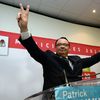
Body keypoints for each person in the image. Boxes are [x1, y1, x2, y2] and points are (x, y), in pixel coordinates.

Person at [17, 3, 100, 92]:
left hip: (74, 96)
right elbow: (34, 50)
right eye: (59, 44)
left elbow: (93, 59)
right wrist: (24, 29)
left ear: (69, 48)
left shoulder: (77, 60)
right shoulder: (49, 57)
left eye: (65, 45)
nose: (62, 46)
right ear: (55, 48)